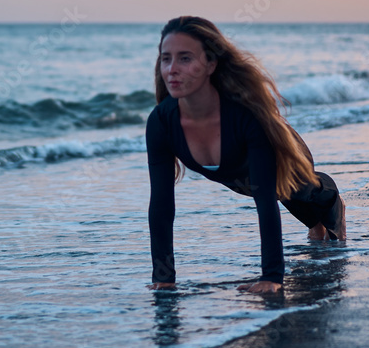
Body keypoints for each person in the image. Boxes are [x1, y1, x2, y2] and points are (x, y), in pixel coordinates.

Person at [146, 16, 346, 294]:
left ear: (211, 65)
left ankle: (333, 202)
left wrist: (272, 277)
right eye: (166, 59)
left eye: (185, 58)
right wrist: (164, 278)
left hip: (286, 151)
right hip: (244, 179)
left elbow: (265, 201)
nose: (172, 69)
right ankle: (315, 224)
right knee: (277, 193)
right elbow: (162, 205)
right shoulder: (161, 122)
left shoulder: (245, 118)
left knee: (295, 190)